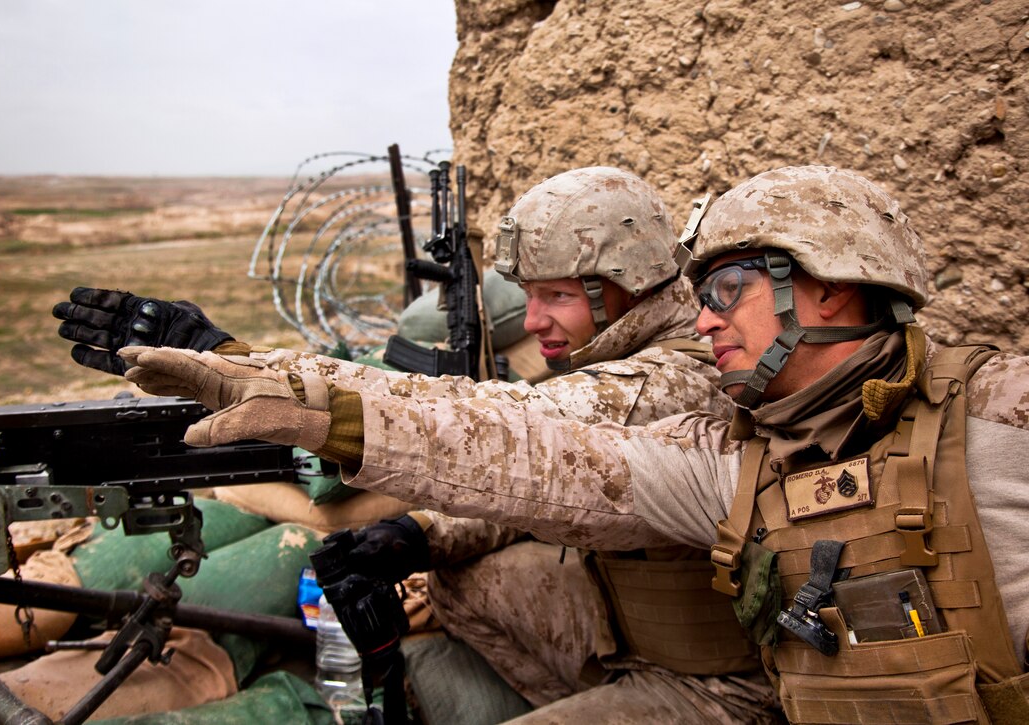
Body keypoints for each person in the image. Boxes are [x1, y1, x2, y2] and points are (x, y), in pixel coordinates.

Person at [123, 165, 1029, 723]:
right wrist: (296, 395)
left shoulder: (999, 414)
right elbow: (525, 447)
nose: (704, 314)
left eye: (729, 287)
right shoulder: (729, 454)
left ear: (829, 291)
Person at [0, 167, 774, 724]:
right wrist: (418, 537)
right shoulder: (621, 353)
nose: (542, 319)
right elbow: (547, 490)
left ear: (624, 286)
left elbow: (503, 440)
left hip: (704, 681)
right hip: (617, 624)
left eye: (558, 296)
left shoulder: (673, 375)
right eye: (531, 297)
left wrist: (251, 370)